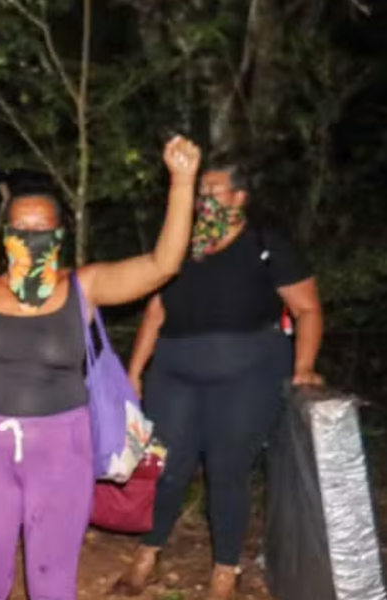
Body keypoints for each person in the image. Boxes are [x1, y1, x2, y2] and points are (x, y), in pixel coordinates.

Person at [0, 137, 202, 600]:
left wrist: (182, 182)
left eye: (41, 232)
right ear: (6, 237)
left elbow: (163, 264)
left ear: (59, 237)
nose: (30, 241)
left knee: (52, 582)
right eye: (20, 230)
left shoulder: (84, 287)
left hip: (62, 448)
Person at [114, 161, 324, 600]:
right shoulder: (182, 245)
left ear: (239, 197)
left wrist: (303, 365)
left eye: (211, 191)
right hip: (173, 374)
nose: (202, 200)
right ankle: (147, 553)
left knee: (227, 473)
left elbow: (306, 308)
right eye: (200, 192)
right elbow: (156, 311)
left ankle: (224, 571)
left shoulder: (266, 244)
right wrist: (133, 371)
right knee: (167, 470)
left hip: (247, 377)